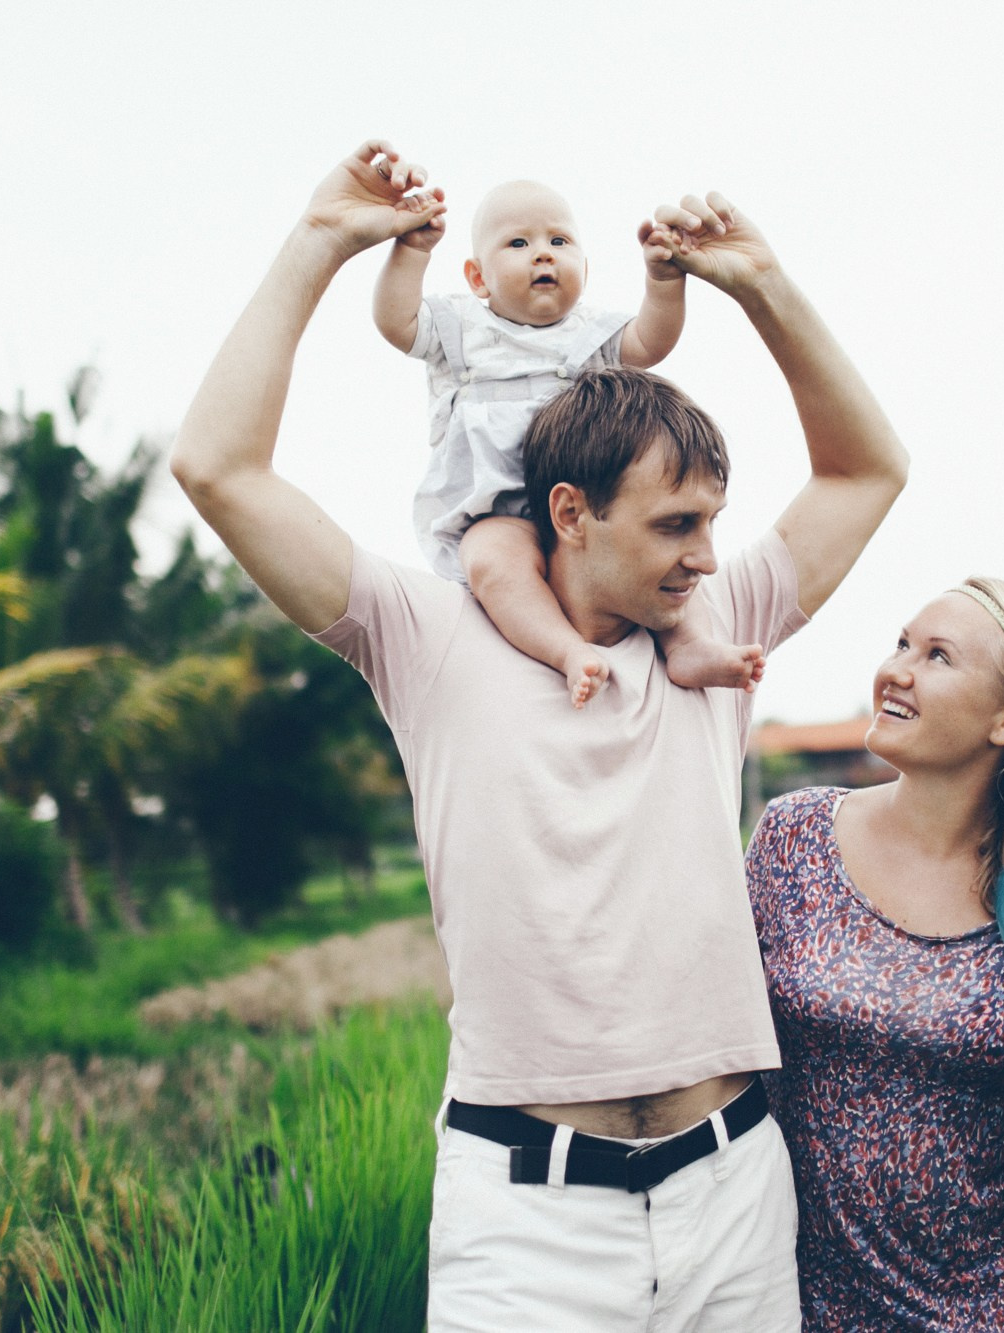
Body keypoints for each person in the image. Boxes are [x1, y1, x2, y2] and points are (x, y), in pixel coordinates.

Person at [168, 139, 908, 1330]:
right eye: (675, 525)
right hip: (524, 1218)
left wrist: (757, 283)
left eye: (712, 524)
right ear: (570, 513)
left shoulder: (713, 627)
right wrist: (318, 245)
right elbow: (216, 467)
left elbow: (867, 469)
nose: (706, 556)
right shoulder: (427, 636)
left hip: (734, 1191)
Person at [745, 576, 1004, 1332]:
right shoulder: (792, 840)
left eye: (937, 656)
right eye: (901, 643)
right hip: (808, 1306)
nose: (897, 669)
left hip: (996, 1308)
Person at [373, 176, 763, 706]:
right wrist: (413, 249)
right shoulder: (463, 332)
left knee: (664, 565)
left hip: (587, 505)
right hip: (499, 510)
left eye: (559, 242)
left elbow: (650, 341)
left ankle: (690, 645)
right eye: (518, 244)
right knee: (493, 563)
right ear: (477, 278)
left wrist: (664, 281)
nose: (542, 256)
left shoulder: (588, 336)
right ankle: (565, 651)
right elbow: (396, 321)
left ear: (585, 266)